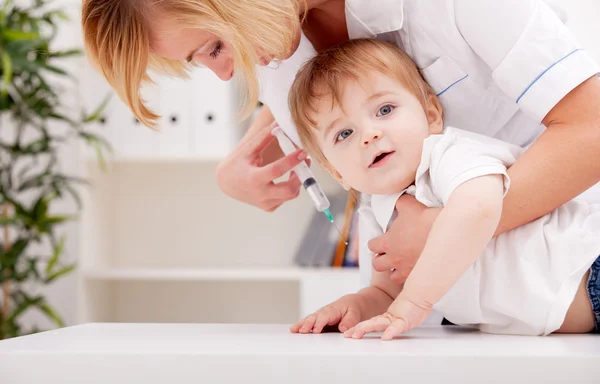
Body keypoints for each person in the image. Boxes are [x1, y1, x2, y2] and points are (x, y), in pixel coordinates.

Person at [81, 0, 600, 329]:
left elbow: (592, 128)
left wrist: (441, 233)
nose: (226, 76)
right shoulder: (275, 43)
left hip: (576, 258)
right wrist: (371, 298)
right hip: (493, 312)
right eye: (202, 60)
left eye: (216, 45)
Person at [288, 38, 600, 339]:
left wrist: (413, 303)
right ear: (335, 172)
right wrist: (357, 305)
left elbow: (478, 208)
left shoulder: (449, 154)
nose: (368, 134)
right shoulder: (376, 209)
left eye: (384, 110)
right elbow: (387, 291)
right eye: (344, 133)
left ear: (431, 115)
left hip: (590, 267)